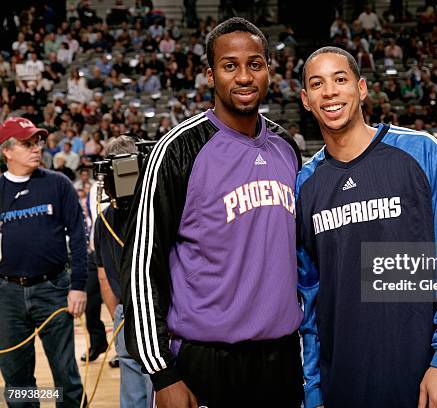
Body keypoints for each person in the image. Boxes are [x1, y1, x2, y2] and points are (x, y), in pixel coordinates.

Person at [120, 17, 304, 408]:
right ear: (210, 74)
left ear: (269, 70)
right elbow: (140, 265)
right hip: (205, 361)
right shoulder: (177, 149)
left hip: (281, 360)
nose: (244, 77)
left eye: (255, 64)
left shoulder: (287, 146)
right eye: (229, 65)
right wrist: (162, 372)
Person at [298, 46, 437, 408]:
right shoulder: (305, 182)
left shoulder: (420, 151)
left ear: (361, 88)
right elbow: (309, 295)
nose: (329, 91)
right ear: (305, 100)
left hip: (423, 376)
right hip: (343, 382)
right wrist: (313, 386)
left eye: (340, 79)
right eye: (317, 84)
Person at [0, 117, 87, 406]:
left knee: (65, 375)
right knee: (16, 377)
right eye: (27, 144)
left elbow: (78, 236)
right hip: (7, 294)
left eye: (38, 142)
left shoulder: (58, 184)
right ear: (7, 151)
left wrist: (78, 286)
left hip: (53, 288)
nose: (37, 148)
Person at [95, 136, 152, 407]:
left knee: (134, 393)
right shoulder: (158, 205)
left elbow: (104, 276)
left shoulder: (102, 218)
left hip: (125, 313)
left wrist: (116, 316)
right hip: (154, 312)